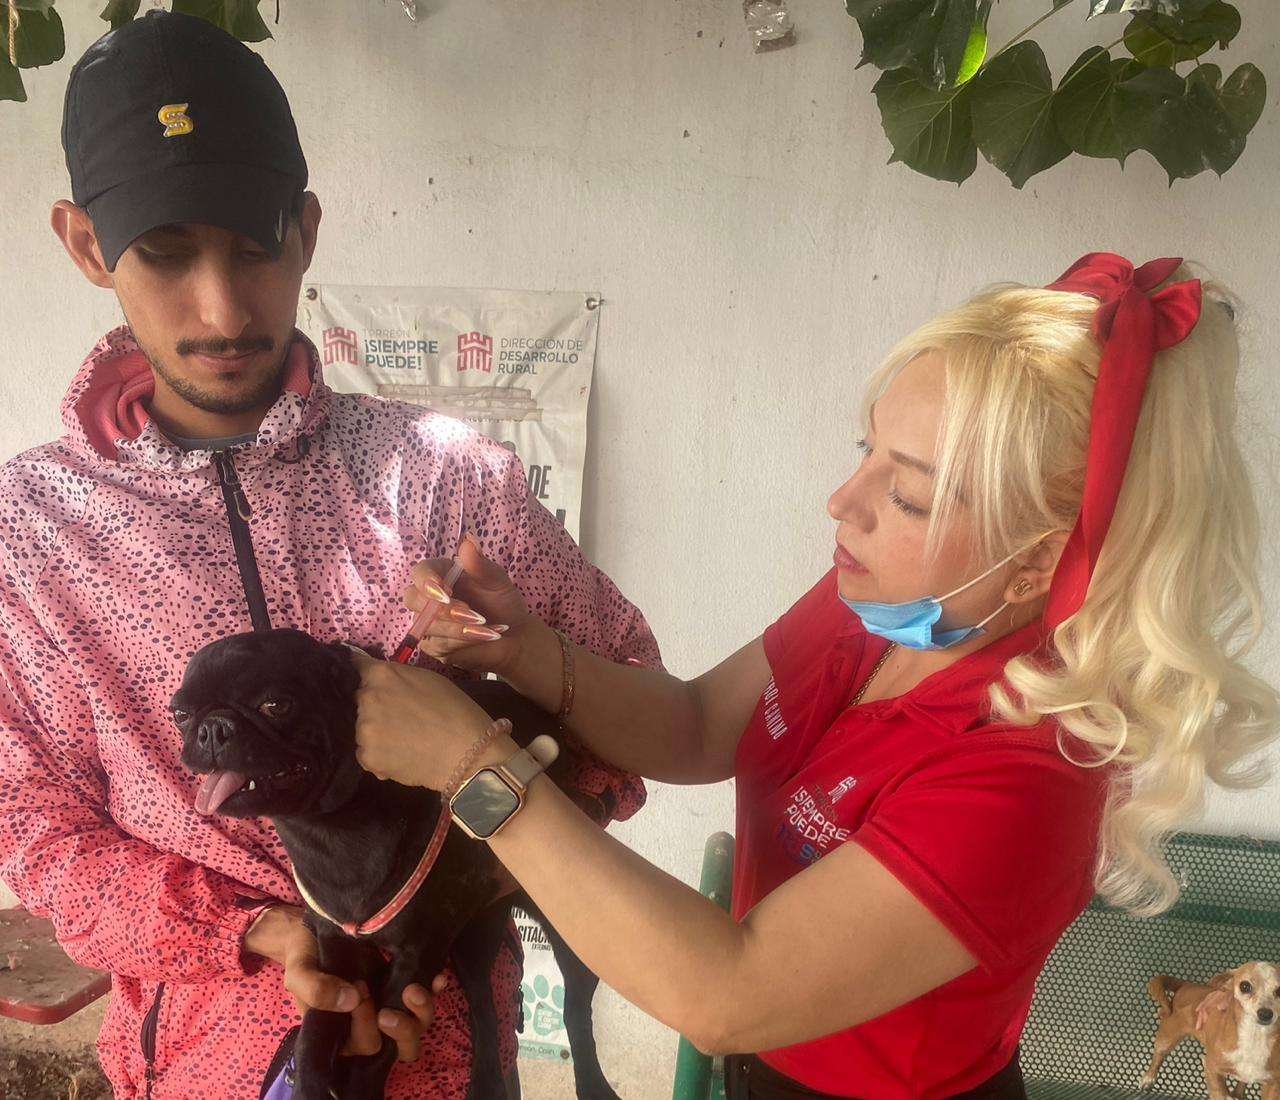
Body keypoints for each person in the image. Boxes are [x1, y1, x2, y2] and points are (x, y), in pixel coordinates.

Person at [348, 254, 1279, 1099]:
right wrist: (521, 651)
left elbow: (728, 990)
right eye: (866, 451)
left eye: (907, 493)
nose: (843, 502)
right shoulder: (882, 606)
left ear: (1038, 560)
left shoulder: (1034, 768)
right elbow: (695, 724)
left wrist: (476, 770)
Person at [0, 11, 660, 1099]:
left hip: (449, 1052)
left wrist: (455, 882)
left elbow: (625, 722)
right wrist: (256, 932)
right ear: (85, 245)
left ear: (305, 232)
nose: (222, 307)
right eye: (166, 253)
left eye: (255, 246)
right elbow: (35, 828)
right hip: (195, 1062)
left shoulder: (440, 477)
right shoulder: (33, 530)